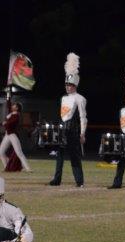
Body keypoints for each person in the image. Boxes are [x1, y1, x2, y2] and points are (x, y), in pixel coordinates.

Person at [49, 53, 86, 187]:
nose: (67, 87)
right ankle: (57, 179)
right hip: (62, 129)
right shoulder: (63, 98)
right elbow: (62, 115)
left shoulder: (80, 98)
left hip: (73, 130)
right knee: (59, 156)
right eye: (66, 84)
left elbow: (83, 117)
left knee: (74, 157)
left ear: (75, 85)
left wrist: (82, 133)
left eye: (70, 85)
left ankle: (79, 181)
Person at [0, 101, 31, 172]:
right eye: (13, 105)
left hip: (12, 135)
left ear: (17, 108)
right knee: (1, 152)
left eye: (14, 106)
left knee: (19, 152)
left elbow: (10, 124)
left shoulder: (17, 115)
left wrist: (5, 123)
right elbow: (8, 105)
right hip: (7, 135)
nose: (12, 106)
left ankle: (28, 168)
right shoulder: (11, 113)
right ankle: (6, 167)